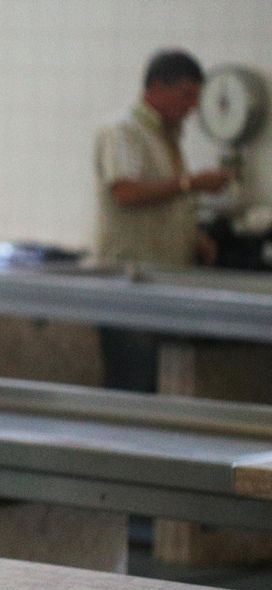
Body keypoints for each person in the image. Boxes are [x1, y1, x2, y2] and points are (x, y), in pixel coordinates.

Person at [92, 49, 231, 391]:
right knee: (131, 384)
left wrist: (194, 234)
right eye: (187, 96)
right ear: (156, 87)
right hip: (129, 280)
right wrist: (192, 183)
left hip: (163, 280)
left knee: (155, 384)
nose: (192, 107)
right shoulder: (124, 131)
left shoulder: (167, 137)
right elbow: (125, 192)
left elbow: (164, 203)